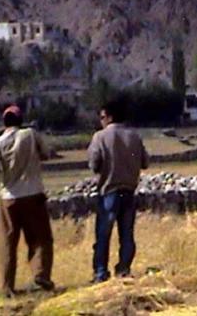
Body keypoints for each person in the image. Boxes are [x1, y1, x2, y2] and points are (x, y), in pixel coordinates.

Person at [0, 105, 54, 295]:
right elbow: (46, 154)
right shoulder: (31, 135)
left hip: (9, 197)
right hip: (33, 194)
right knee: (40, 238)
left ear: (3, 122)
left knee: (7, 242)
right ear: (21, 121)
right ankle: (41, 275)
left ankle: (7, 286)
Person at [87, 97, 149, 283]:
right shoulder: (134, 136)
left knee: (103, 235)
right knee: (127, 235)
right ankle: (123, 269)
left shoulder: (100, 137)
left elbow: (94, 164)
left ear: (110, 117)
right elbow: (144, 162)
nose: (101, 120)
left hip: (109, 192)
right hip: (129, 191)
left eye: (102, 116)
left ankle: (100, 272)